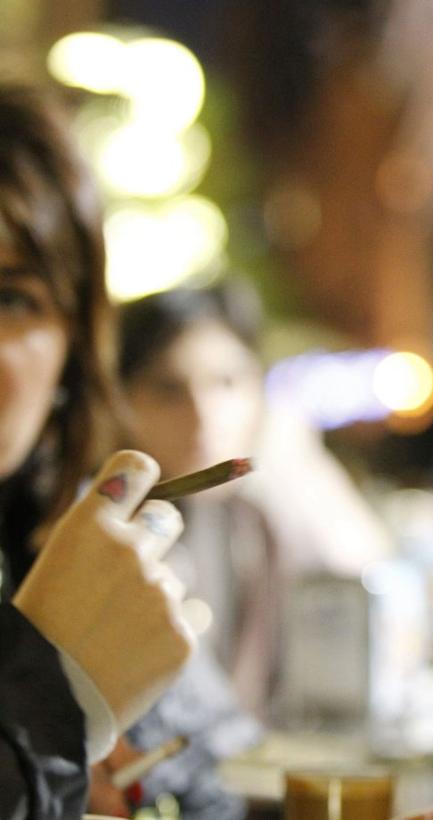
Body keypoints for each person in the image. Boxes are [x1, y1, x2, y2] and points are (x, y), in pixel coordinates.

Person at [0, 85, 193, 818]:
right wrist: (51, 697)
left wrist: (140, 789)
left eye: (11, 299)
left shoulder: (70, 535)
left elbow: (205, 780)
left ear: (72, 352)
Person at [118, 282, 394, 720]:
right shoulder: (110, 529)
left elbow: (364, 587)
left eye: (227, 382)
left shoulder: (260, 512)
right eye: (170, 390)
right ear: (122, 401)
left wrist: (297, 463)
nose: (204, 415)